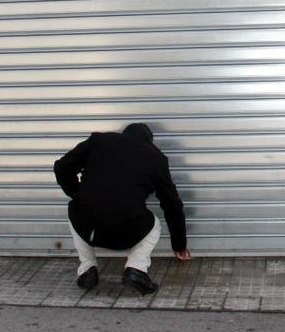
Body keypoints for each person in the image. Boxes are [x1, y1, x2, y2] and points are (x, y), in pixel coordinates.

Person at [54, 123, 191, 295]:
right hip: (127, 232)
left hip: (90, 229)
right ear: (150, 141)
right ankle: (136, 269)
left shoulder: (99, 141)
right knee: (154, 224)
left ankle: (87, 270)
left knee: (77, 210)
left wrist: (78, 193)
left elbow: (61, 167)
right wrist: (179, 245)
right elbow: (172, 204)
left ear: (123, 134)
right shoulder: (156, 157)